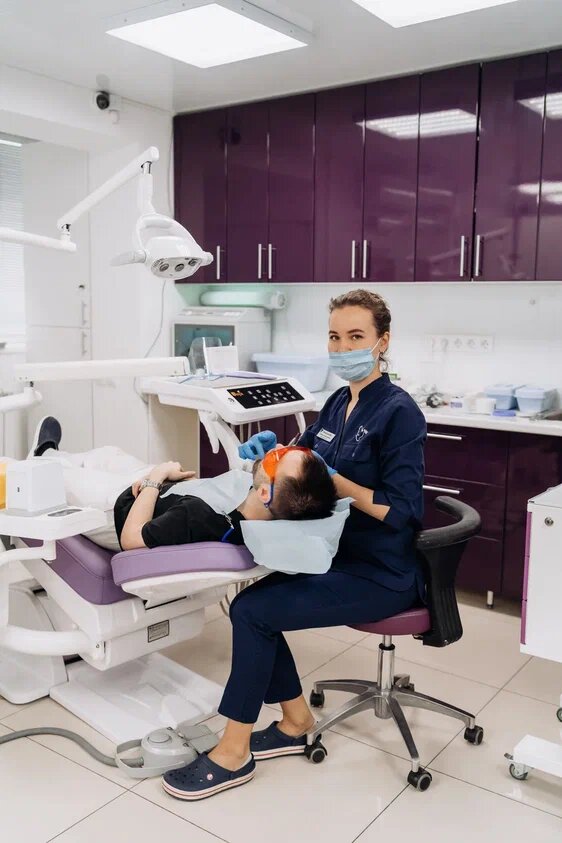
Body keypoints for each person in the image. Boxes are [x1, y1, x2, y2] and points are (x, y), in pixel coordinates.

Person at [161, 288, 427, 802]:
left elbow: (401, 510)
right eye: (334, 336)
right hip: (331, 554)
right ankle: (296, 721)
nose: (342, 347)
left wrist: (340, 483)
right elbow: (298, 459)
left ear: (382, 341)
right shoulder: (339, 401)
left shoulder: (400, 413)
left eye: (355, 336)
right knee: (250, 606)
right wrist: (270, 454)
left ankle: (234, 752)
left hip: (379, 571)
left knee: (254, 612)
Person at [28, 418, 336, 553]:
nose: (276, 448)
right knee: (107, 453)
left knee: (49, 476)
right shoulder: (259, 506)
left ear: (265, 492)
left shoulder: (204, 518)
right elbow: (235, 482)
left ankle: (41, 460)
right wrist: (175, 480)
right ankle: (49, 452)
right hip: (163, 488)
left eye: (278, 457)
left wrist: (155, 478)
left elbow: (132, 539)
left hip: (118, 508)